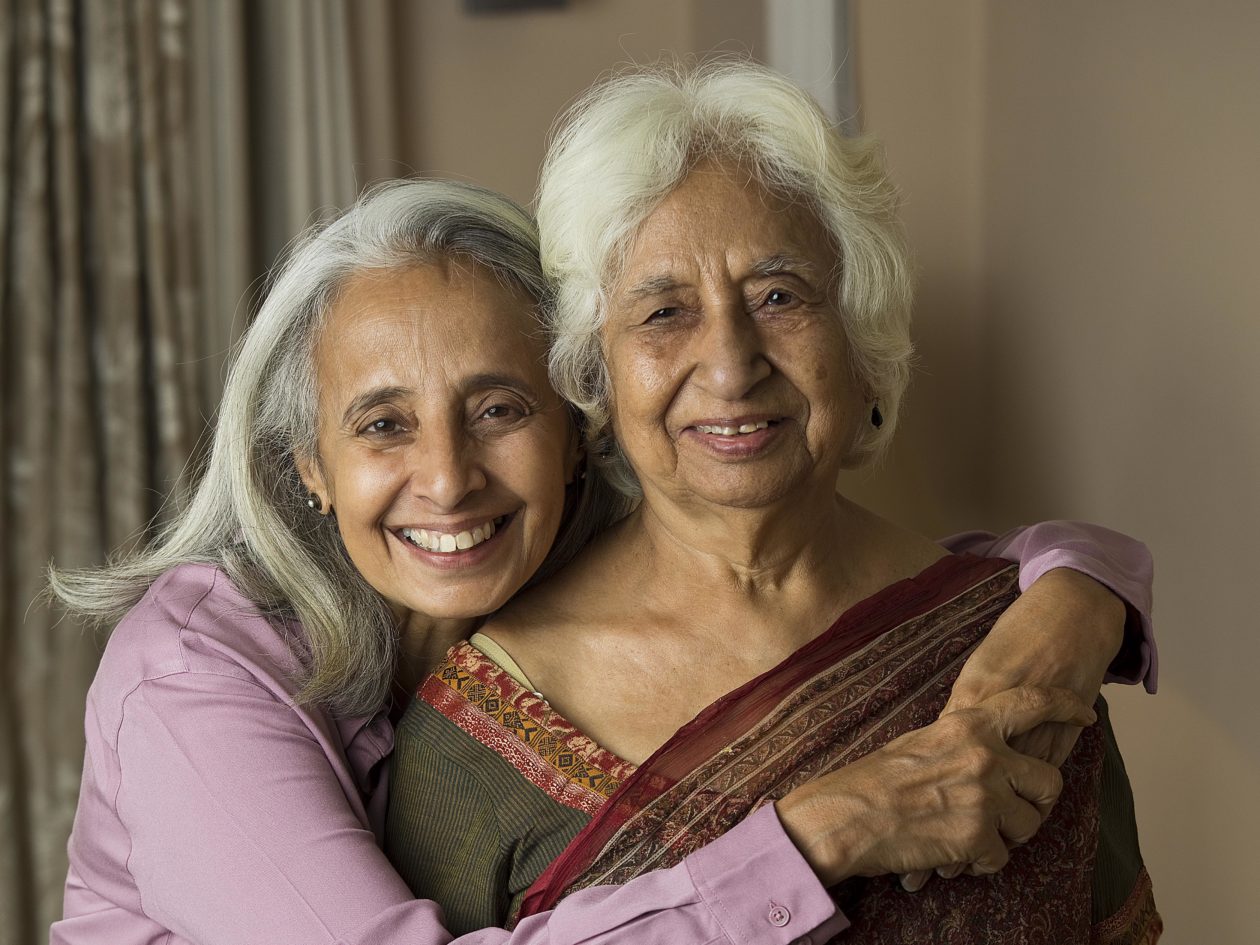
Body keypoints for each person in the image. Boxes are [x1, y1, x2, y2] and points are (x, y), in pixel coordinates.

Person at [49, 178, 1153, 945]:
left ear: (578, 422)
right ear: (310, 469)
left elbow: (892, 581)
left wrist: (1079, 594)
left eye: (496, 407)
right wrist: (824, 832)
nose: (448, 479)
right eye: (382, 425)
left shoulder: (553, 575)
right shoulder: (189, 685)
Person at [385, 63, 1160, 943]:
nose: (730, 364)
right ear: (596, 373)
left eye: (779, 296)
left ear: (861, 337)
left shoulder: (1022, 653)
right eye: (664, 311)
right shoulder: (476, 736)